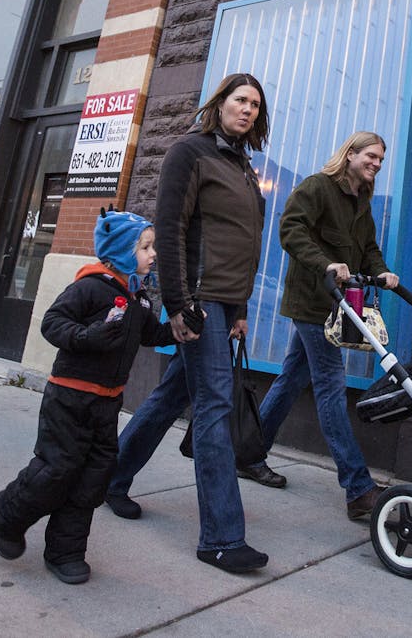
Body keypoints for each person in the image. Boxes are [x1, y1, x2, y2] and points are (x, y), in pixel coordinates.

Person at [106, 72, 271, 574]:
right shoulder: (189, 151)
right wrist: (177, 304)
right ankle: (220, 537)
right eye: (241, 100)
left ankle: (110, 477)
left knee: (174, 395)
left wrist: (240, 309)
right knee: (216, 403)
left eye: (256, 106)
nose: (248, 110)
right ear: (220, 102)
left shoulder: (243, 166)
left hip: (225, 302)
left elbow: (241, 243)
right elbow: (173, 228)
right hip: (198, 300)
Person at [0, 210, 168, 584]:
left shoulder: (138, 298)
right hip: (69, 398)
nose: (153, 254)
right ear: (120, 250)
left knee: (93, 478)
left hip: (107, 402)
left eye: (152, 247)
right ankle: (6, 514)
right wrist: (86, 337)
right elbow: (52, 323)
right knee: (57, 469)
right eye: (146, 247)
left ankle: (65, 552)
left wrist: (184, 330)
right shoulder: (90, 287)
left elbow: (151, 335)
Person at [252, 131, 397, 521]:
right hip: (312, 302)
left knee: (290, 378)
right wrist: (326, 264)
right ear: (349, 154)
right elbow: (291, 230)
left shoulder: (361, 202)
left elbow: (368, 251)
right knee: (331, 386)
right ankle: (358, 487)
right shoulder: (317, 187)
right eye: (371, 156)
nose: (376, 164)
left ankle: (247, 453)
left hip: (337, 307)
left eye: (381, 160)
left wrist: (382, 274)